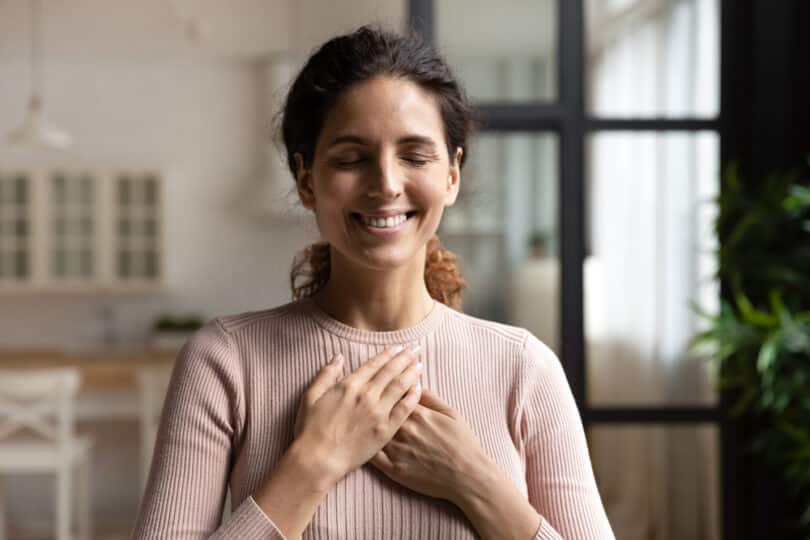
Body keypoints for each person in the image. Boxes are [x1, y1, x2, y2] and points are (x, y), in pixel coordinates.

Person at [132, 25, 614, 540]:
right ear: (306, 179)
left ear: (452, 174)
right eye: (351, 158)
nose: (385, 183)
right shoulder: (224, 362)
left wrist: (473, 480)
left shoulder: (525, 369)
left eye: (414, 155)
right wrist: (314, 463)